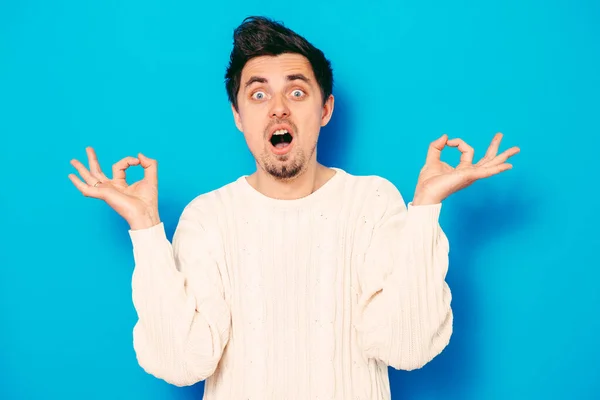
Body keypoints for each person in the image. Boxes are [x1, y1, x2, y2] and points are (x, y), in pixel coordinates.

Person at [68, 16, 519, 400]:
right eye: (259, 94)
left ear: (325, 109)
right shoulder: (208, 217)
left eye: (298, 93)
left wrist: (425, 209)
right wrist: (145, 228)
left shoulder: (372, 201)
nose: (278, 109)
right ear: (238, 116)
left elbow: (407, 346)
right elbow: (181, 362)